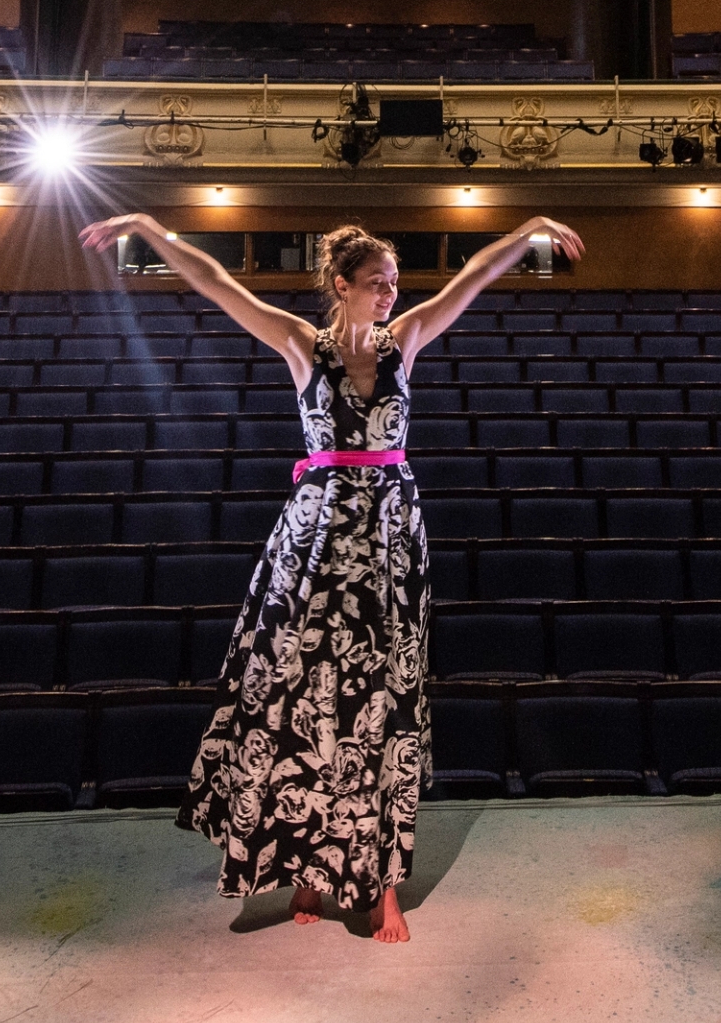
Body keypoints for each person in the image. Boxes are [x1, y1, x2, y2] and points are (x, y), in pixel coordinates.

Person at [73, 209, 583, 941]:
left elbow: (473, 277)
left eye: (394, 285)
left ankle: (382, 890)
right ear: (341, 285)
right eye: (377, 284)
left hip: (387, 538)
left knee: (384, 707)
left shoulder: (405, 342)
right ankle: (307, 871)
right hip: (314, 539)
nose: (389, 295)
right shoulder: (300, 346)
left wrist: (529, 228)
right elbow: (215, 282)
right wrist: (149, 229)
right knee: (303, 699)